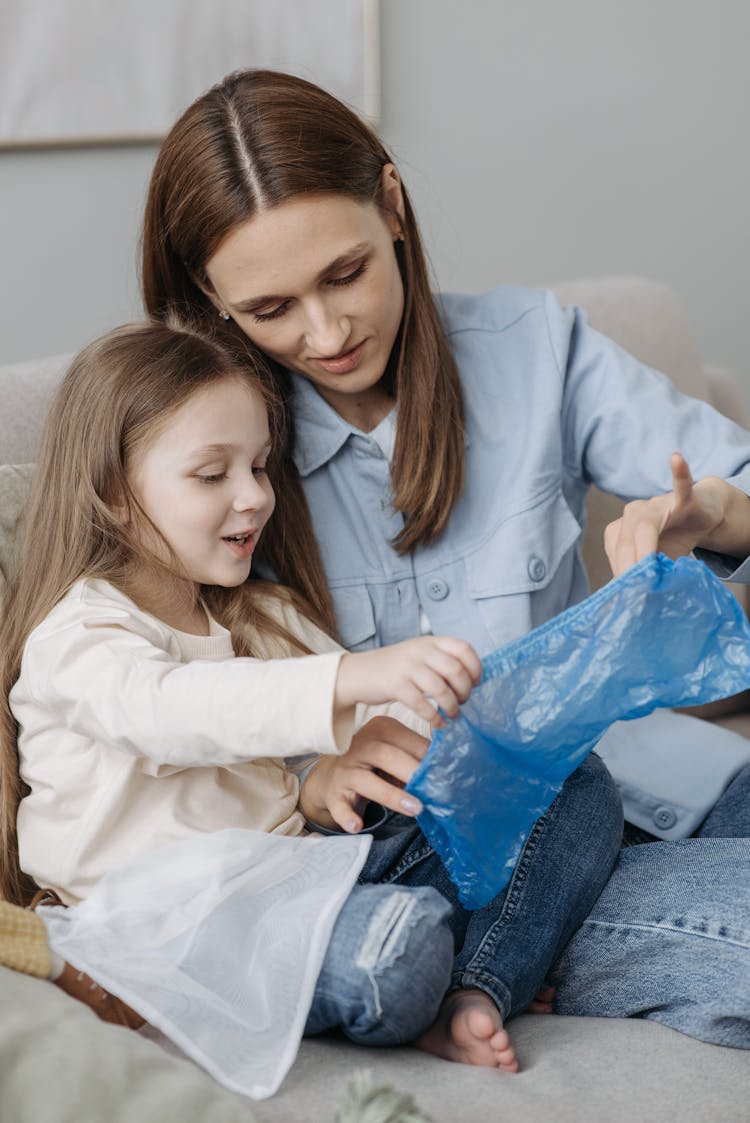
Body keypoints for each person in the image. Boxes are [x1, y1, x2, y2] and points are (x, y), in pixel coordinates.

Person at [136, 68, 750, 1045]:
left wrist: (711, 511)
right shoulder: (202, 462)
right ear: (211, 297)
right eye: (271, 308)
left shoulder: (534, 348)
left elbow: (735, 483)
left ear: (392, 205)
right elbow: (161, 715)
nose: (327, 334)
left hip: (661, 779)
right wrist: (311, 772)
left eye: (345, 274)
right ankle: (507, 960)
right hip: (469, 857)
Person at [0, 319, 624, 1078]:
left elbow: (375, 726)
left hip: (312, 874)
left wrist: (404, 747)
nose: (254, 496)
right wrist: (360, 677)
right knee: (398, 947)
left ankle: (478, 987)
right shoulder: (79, 636)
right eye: (212, 474)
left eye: (260, 466)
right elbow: (176, 709)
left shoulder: (259, 614)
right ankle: (426, 969)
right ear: (113, 493)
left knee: (571, 777)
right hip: (179, 933)